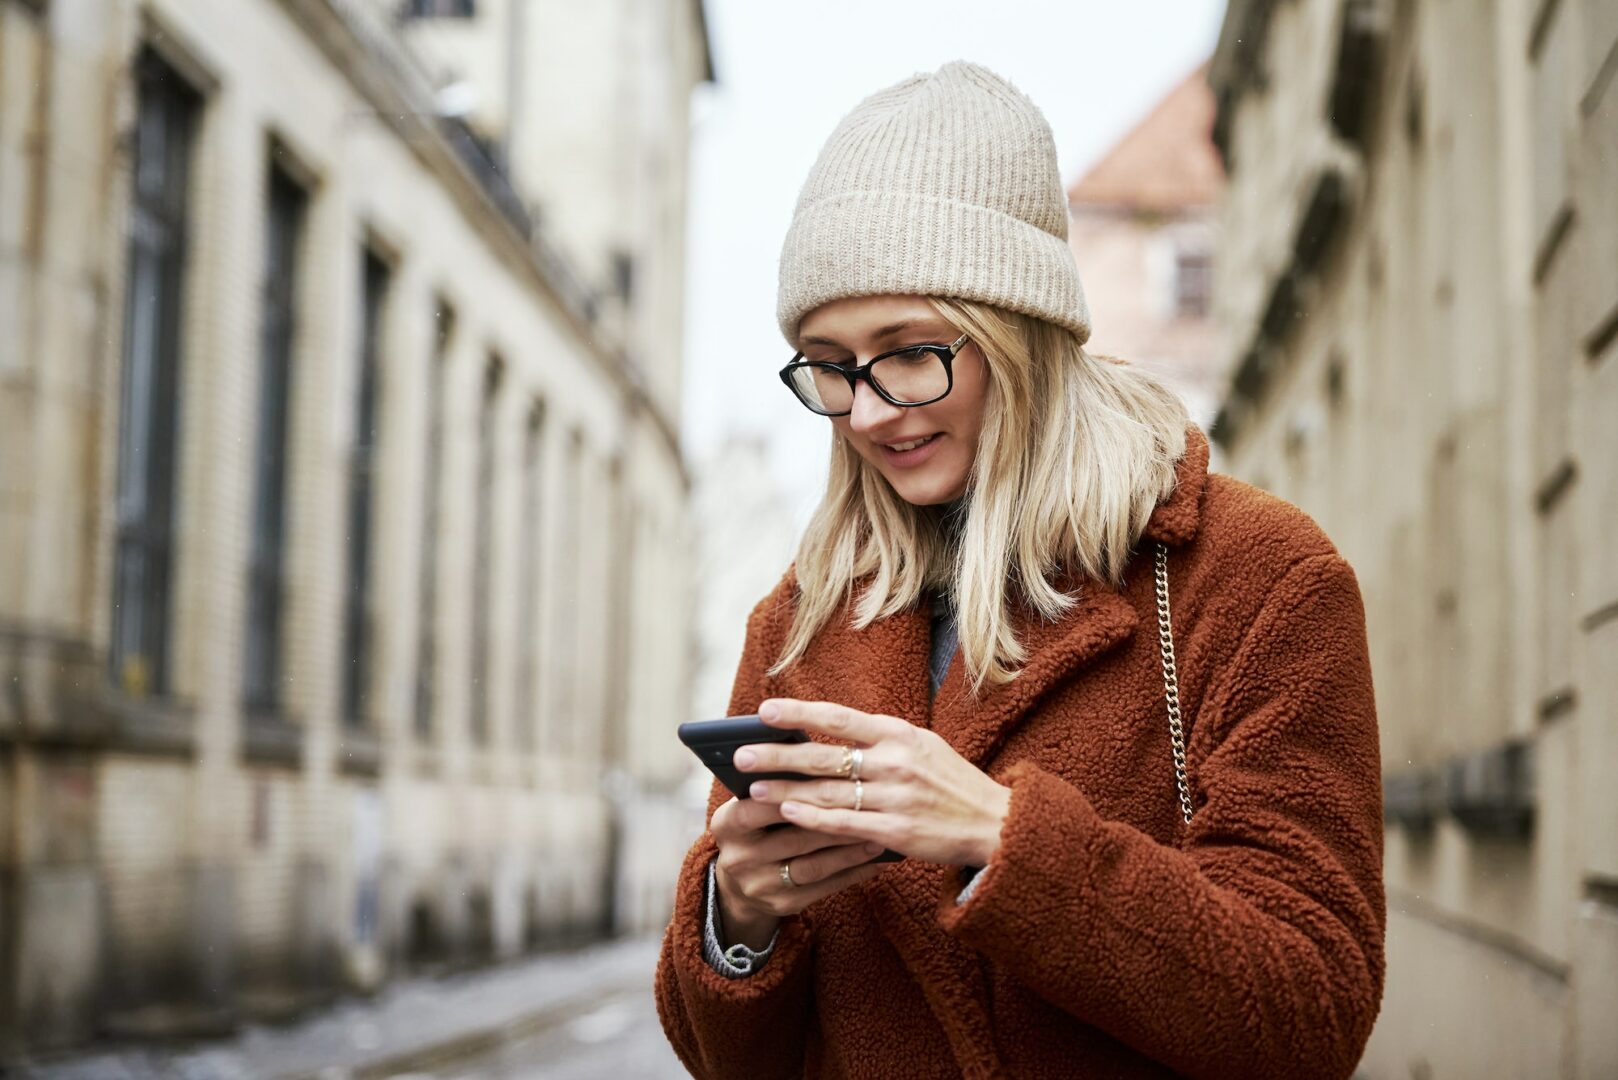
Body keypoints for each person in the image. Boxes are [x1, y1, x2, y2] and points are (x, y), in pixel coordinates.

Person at [655, 60, 1385, 1080]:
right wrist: (738, 919)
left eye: (908, 352)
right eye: (828, 364)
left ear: (1021, 334)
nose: (865, 411)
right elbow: (727, 1058)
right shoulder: (801, 619)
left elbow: (1312, 1010)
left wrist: (1001, 839)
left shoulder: (1251, 575)